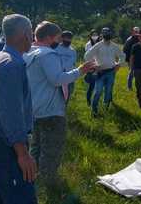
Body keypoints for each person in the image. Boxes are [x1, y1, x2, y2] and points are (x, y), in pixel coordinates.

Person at [24, 21, 94, 189]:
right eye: (58, 38)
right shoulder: (48, 54)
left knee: (37, 146)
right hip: (51, 111)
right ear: (49, 38)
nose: (60, 41)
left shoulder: (28, 53)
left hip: (34, 108)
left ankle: (34, 178)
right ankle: (48, 184)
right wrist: (80, 71)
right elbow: (57, 79)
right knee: (52, 149)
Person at [0, 14, 37, 203]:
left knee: (0, 197)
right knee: (21, 198)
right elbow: (10, 113)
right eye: (31, 33)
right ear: (24, 35)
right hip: (9, 147)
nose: (33, 38)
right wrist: (22, 154)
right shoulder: (11, 65)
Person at [84, 27, 125, 116]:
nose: (107, 34)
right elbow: (87, 56)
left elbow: (122, 56)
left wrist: (118, 64)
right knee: (98, 91)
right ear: (102, 35)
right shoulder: (98, 45)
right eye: (105, 33)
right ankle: (94, 110)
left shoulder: (114, 46)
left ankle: (106, 109)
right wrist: (94, 65)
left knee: (108, 90)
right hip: (100, 73)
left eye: (108, 33)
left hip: (111, 72)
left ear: (111, 34)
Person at [56, 30, 77, 99]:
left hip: (69, 77)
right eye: (66, 38)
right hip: (59, 76)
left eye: (70, 38)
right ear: (62, 38)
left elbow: (74, 64)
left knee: (67, 96)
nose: (68, 40)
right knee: (58, 97)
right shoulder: (56, 48)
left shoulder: (72, 51)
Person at [84, 30, 100, 107]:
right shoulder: (88, 45)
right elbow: (88, 57)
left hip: (99, 67)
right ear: (90, 35)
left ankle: (96, 101)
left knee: (98, 86)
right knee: (92, 86)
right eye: (93, 34)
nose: (95, 36)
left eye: (96, 34)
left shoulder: (100, 44)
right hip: (91, 67)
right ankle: (88, 101)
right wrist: (92, 66)